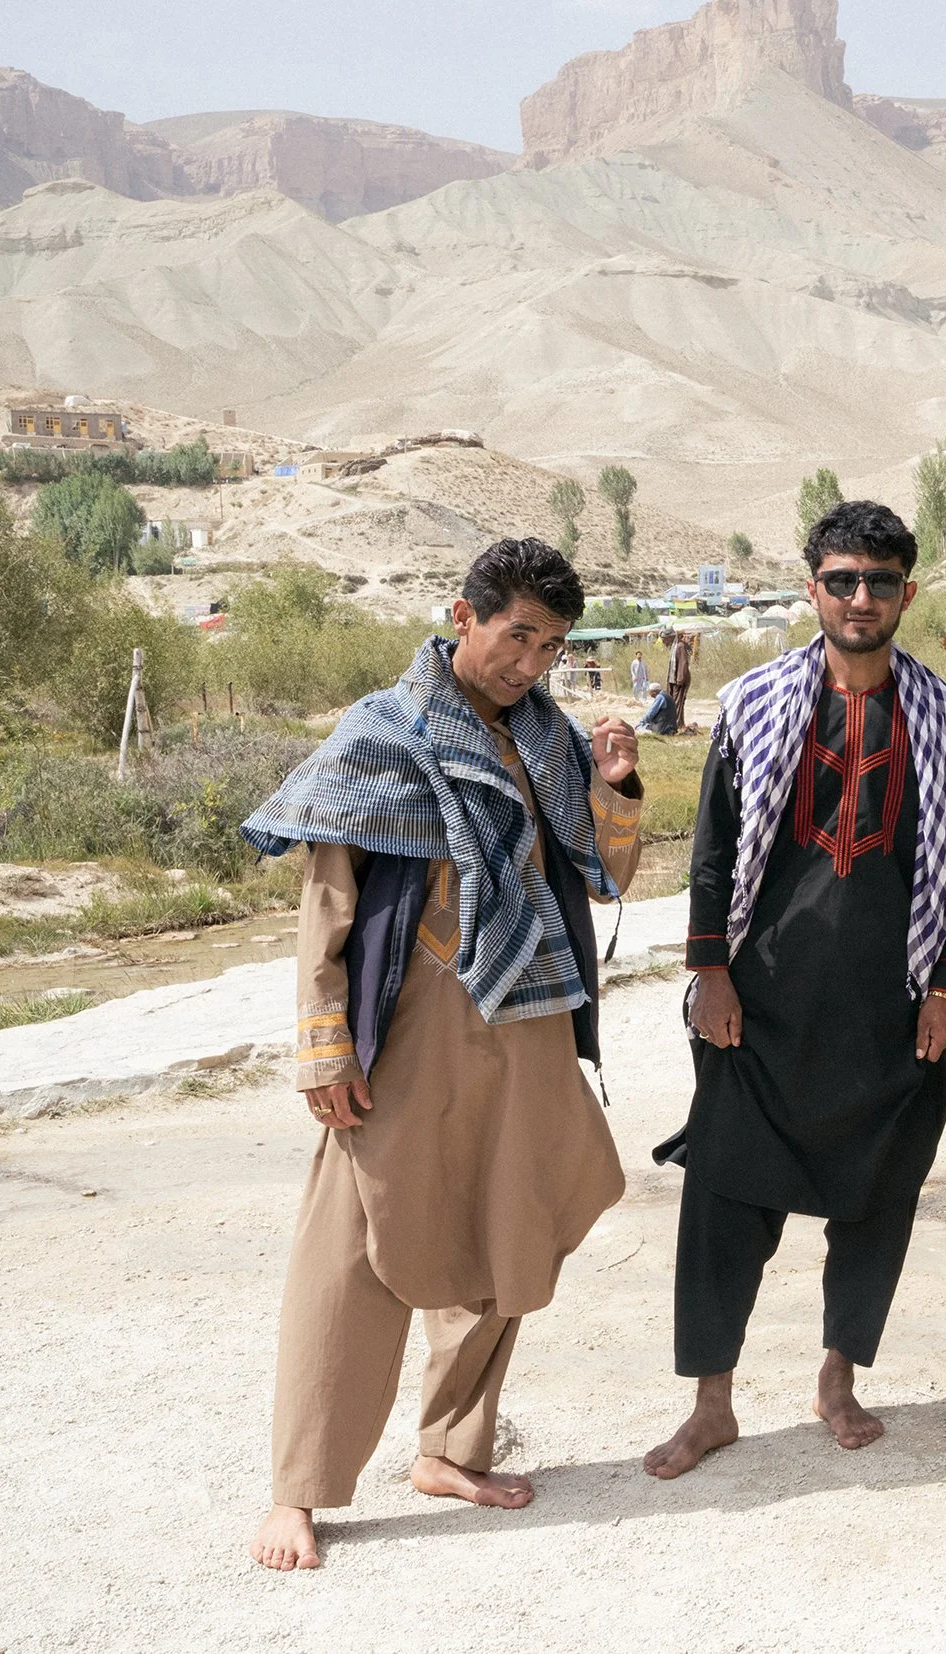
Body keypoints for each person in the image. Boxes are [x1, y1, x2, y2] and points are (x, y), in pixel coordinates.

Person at [238, 538, 647, 1571]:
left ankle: (450, 1450)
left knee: (511, 1226)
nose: (530, 664)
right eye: (518, 637)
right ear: (463, 616)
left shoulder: (548, 738)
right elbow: (327, 903)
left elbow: (606, 875)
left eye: (550, 647)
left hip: (531, 1017)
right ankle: (298, 1490)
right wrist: (325, 1046)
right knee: (351, 1246)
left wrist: (615, 785)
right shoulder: (380, 734)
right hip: (416, 1022)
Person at [643, 501, 946, 1478]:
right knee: (722, 1198)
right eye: (842, 580)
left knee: (877, 1198)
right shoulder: (752, 704)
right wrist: (709, 970)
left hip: (889, 1008)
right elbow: (712, 848)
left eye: (880, 581)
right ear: (812, 590)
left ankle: (837, 1379)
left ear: (907, 593)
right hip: (760, 1006)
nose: (860, 598)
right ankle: (711, 1404)